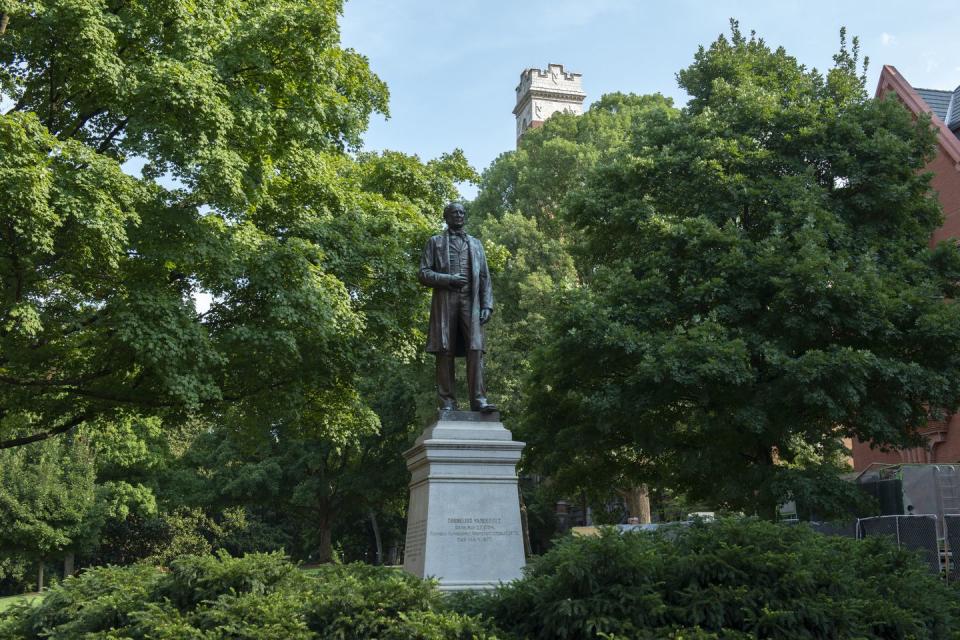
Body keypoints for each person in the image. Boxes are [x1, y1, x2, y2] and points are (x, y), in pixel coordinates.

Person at [419, 202, 497, 412]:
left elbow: (484, 277)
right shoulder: (434, 242)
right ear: (446, 217)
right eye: (455, 213)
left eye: (462, 212)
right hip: (446, 301)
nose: (459, 216)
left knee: (476, 349)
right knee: (445, 350)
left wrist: (487, 305)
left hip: (471, 303)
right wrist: (448, 279)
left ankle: (479, 400)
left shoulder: (476, 244)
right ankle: (447, 402)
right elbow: (423, 273)